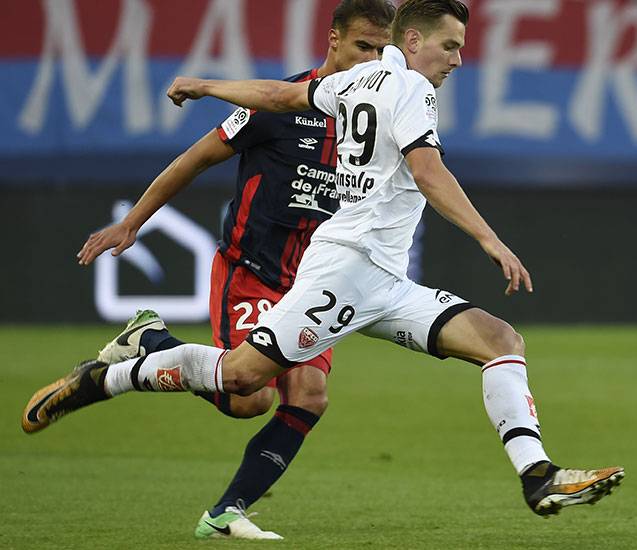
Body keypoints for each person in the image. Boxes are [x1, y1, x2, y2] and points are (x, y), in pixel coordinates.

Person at [24, 0, 624, 521]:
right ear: (413, 43)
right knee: (242, 382)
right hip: (343, 269)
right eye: (451, 45)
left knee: (500, 340)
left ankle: (537, 475)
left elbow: (283, 94)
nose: (458, 60)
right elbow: (427, 170)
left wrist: (208, 85)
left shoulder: (355, 83)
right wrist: (489, 239)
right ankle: (113, 375)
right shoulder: (411, 89)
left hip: (383, 281)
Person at [68, 0, 395, 540]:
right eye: (363, 46)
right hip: (254, 270)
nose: (372, 60)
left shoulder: (378, 122)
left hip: (317, 283)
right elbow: (195, 158)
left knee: (310, 396)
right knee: (251, 398)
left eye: (382, 51)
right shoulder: (277, 106)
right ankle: (151, 341)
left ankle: (226, 511)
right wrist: (132, 223)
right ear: (333, 39)